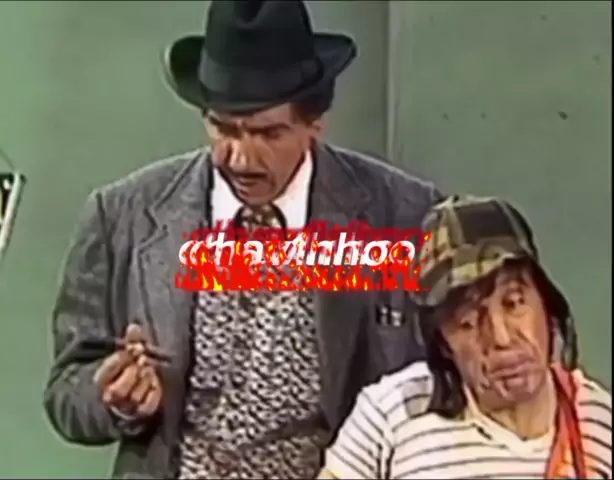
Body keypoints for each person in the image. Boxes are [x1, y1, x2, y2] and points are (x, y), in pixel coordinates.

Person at [42, 1, 442, 478]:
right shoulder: (123, 215)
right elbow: (66, 391)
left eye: (268, 133)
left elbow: (445, 379)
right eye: (223, 128)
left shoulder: (402, 216)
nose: (240, 158)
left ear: (315, 122)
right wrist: (112, 397)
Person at [319, 195, 612, 479]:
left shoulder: (597, 422)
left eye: (514, 303)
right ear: (444, 343)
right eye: (468, 322)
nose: (501, 338)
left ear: (545, 302)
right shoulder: (391, 413)